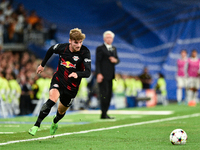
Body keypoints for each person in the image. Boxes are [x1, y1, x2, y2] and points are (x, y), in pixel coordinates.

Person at [28, 28, 91, 136]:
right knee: (52, 99)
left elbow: (88, 72)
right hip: (59, 79)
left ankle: (55, 121)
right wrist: (42, 65)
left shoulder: (85, 52)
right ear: (70, 41)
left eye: (80, 42)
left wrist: (78, 74)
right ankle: (36, 125)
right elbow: (51, 49)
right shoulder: (62, 48)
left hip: (72, 87)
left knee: (61, 111)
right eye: (76, 42)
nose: (78, 45)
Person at [95, 30, 120, 119]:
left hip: (111, 75)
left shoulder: (114, 48)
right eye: (107, 37)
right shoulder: (100, 48)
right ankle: (103, 113)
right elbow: (97, 62)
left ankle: (105, 113)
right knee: (104, 94)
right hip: (103, 75)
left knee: (109, 94)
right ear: (104, 38)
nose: (109, 39)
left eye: (110, 37)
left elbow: (117, 59)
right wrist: (98, 73)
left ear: (112, 39)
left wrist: (115, 60)